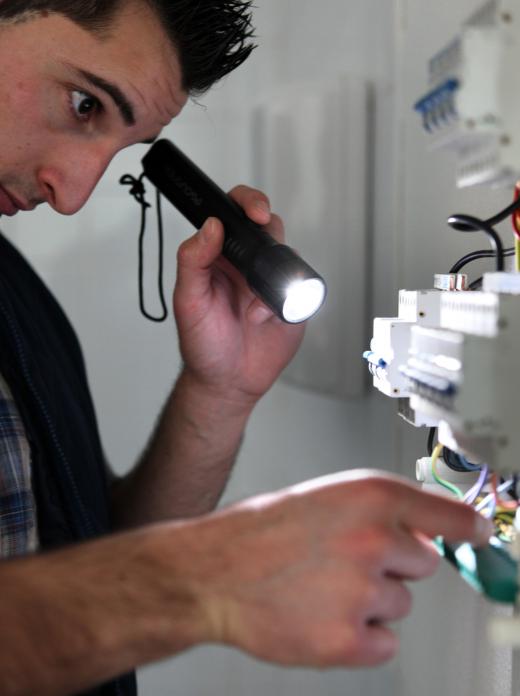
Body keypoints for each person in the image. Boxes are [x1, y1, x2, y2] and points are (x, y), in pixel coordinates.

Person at [0, 2, 493, 695]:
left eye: (117, 149)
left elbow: (91, 556)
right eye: (84, 104)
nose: (74, 192)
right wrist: (203, 577)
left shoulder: (14, 296)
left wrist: (220, 390)